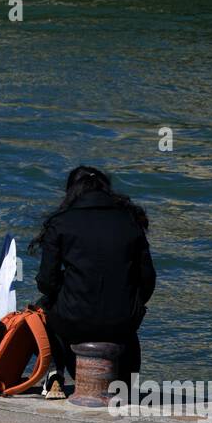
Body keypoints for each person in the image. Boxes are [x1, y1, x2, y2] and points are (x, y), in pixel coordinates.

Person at [30, 165, 156, 397]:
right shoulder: (130, 221)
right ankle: (125, 383)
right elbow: (147, 280)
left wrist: (68, 292)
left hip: (73, 320)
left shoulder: (61, 222)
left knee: (41, 307)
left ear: (71, 193)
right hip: (122, 321)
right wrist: (132, 305)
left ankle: (55, 373)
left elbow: (46, 282)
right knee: (123, 321)